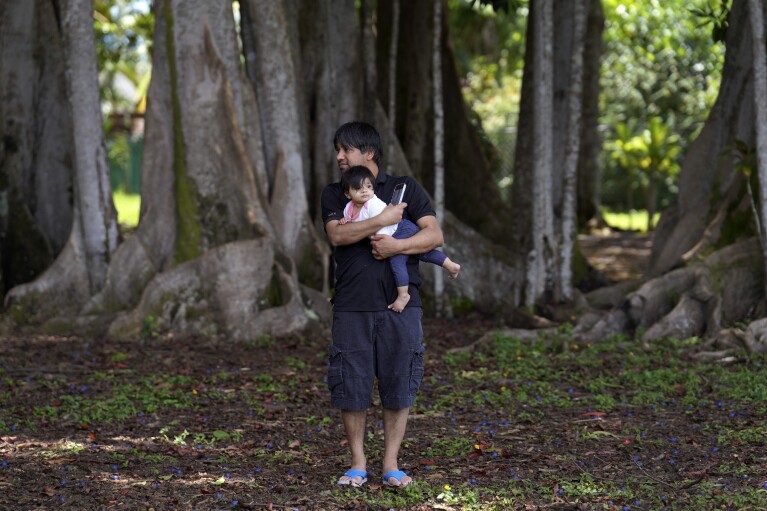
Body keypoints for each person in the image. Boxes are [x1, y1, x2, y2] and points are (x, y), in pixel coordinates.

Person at [321, 121, 446, 488]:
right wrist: (384, 219)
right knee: (351, 383)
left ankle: (391, 463)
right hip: (351, 304)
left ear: (369, 153)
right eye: (337, 150)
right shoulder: (335, 193)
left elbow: (434, 235)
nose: (339, 156)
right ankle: (357, 463)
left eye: (346, 149)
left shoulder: (404, 187)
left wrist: (398, 245)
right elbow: (337, 234)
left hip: (401, 305)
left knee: (398, 382)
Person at [338, 165, 461, 312]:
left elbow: (382, 224)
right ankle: (451, 265)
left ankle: (403, 295)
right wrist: (345, 221)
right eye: (358, 188)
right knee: (421, 253)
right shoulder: (348, 208)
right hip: (394, 232)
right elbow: (352, 222)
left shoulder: (372, 203)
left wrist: (388, 244)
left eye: (369, 187)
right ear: (347, 194)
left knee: (397, 260)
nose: (365, 191)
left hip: (400, 229)